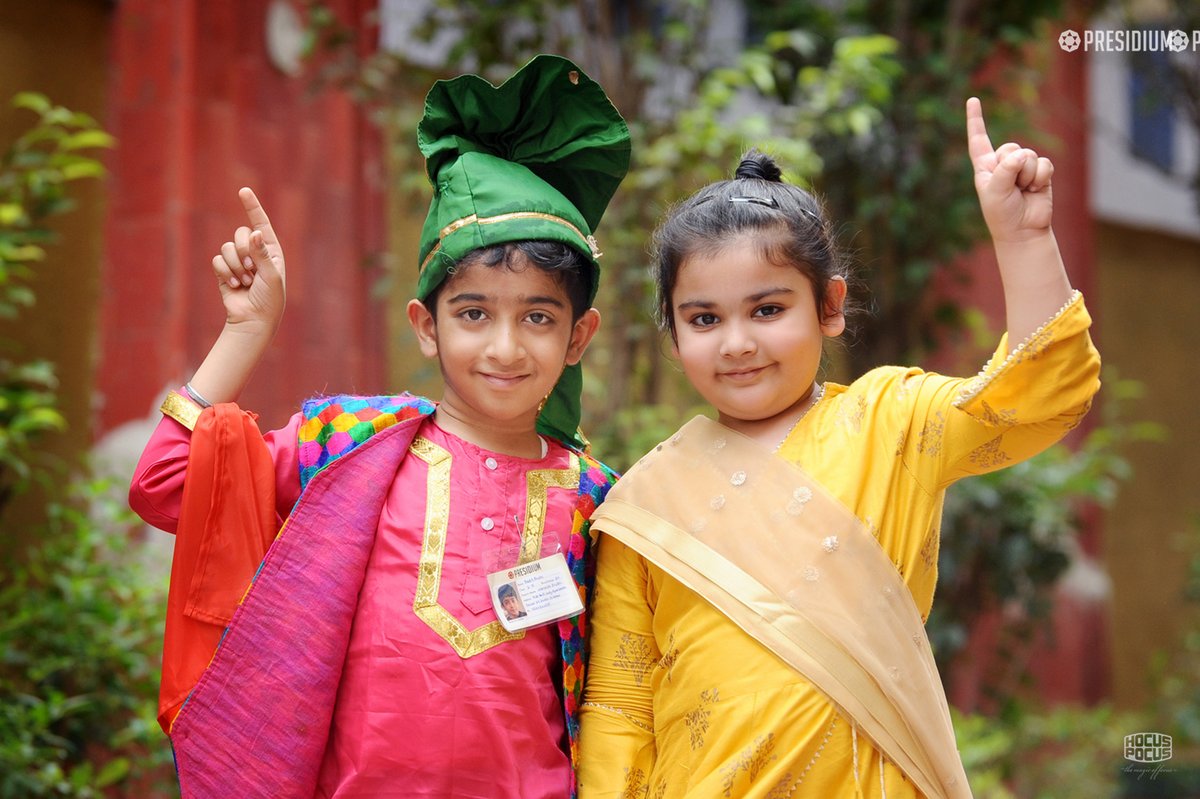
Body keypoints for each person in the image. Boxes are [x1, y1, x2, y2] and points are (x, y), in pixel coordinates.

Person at [128, 55, 630, 799]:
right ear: (426, 326)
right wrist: (246, 330)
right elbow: (165, 485)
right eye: (473, 313)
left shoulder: (601, 502)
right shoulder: (350, 445)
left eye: (537, 316)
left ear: (578, 336)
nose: (504, 345)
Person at [577, 98, 1100, 798]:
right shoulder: (641, 505)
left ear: (828, 306)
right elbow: (618, 707)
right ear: (672, 336)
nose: (736, 342)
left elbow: (1036, 398)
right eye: (704, 318)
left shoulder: (890, 421)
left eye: (768, 309)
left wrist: (1024, 237)